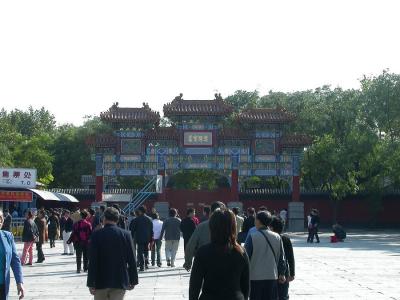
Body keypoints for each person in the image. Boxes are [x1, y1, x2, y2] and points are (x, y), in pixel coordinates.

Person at [189, 209, 250, 300]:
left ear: (212, 227)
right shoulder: (241, 252)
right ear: (233, 227)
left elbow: (195, 285)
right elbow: (246, 285)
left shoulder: (203, 252)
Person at [87, 207, 138, 300]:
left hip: (100, 281)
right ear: (117, 219)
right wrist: (133, 280)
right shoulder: (126, 235)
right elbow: (132, 259)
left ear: (104, 218)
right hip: (120, 280)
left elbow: (92, 260)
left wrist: (90, 283)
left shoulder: (96, 235)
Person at [244, 211, 286, 300]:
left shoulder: (252, 236)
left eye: (256, 219)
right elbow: (282, 257)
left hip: (255, 277)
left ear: (259, 221)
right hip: (272, 276)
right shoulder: (277, 237)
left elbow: (246, 257)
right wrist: (282, 273)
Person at [184, 201, 226, 271]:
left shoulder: (201, 226)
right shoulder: (229, 226)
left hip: (205, 261)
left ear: (210, 212)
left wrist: (188, 263)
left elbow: (190, 245)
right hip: (224, 262)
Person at [0, 209, 25, 300]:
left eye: (1, 218)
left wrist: (19, 282)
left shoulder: (8, 236)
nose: (0, 220)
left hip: (3, 285)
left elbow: (15, 261)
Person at [270, 217, 295, 300]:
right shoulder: (286, 239)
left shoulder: (270, 239)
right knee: (283, 295)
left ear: (271, 227)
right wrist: (292, 273)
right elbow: (290, 258)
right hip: (284, 272)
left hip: (271, 272)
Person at [129, 206, 153, 271]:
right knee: (146, 251)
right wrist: (151, 239)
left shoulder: (136, 219)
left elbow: (132, 230)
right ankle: (146, 264)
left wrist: (131, 237)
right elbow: (151, 230)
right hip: (147, 238)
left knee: (140, 252)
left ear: (140, 211)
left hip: (139, 238)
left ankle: (142, 266)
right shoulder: (149, 219)